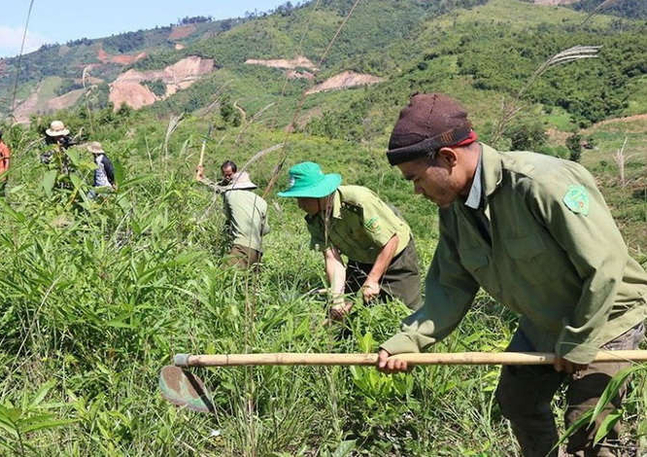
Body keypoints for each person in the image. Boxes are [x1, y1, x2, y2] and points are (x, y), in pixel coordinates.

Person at [376, 93, 647, 456]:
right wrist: (408, 341)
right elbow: (450, 287)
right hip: (543, 320)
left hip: (607, 315)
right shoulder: (455, 210)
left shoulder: (540, 184)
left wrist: (579, 339)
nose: (416, 190)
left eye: (417, 178)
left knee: (588, 425)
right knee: (517, 400)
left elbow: (605, 266)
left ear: (448, 157)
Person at [277, 161, 422, 320]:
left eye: (302, 199)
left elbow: (391, 240)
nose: (299, 205)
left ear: (317, 193)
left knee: (405, 313)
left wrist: (372, 280)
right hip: (360, 258)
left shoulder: (359, 200)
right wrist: (337, 299)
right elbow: (332, 258)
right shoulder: (315, 220)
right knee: (341, 314)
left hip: (395, 255)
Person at [196, 164, 270, 269]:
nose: (227, 178)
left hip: (241, 247)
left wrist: (202, 179)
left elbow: (220, 191)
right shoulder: (262, 201)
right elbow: (265, 230)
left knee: (221, 278)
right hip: (257, 251)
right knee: (247, 283)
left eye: (230, 175)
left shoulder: (230, 194)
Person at [40, 120, 75, 187]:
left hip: (68, 173)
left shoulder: (67, 140)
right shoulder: (47, 143)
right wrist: (54, 156)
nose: (60, 137)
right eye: (57, 136)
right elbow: (43, 159)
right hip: (54, 173)